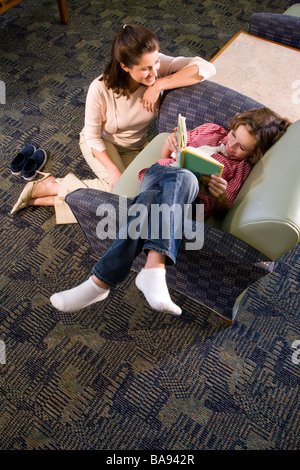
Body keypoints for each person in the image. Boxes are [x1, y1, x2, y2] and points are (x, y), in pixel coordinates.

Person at [49, 107, 291, 316]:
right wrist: (169, 146)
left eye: (242, 148)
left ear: (253, 154)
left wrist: (219, 196)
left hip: (192, 203)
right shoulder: (210, 130)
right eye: (233, 135)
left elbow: (221, 210)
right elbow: (171, 156)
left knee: (150, 201)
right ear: (234, 125)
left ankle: (99, 284)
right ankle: (153, 270)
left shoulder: (240, 169)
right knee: (181, 176)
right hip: (158, 175)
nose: (231, 145)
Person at [10, 24, 216, 223]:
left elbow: (207, 67)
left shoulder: (156, 69)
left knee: (141, 195)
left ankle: (52, 191)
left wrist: (161, 84)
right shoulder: (100, 88)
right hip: (102, 145)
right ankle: (52, 187)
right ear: (125, 66)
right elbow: (92, 137)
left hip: (136, 146)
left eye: (156, 64)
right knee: (118, 192)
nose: (154, 71)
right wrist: (113, 171)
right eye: (145, 69)